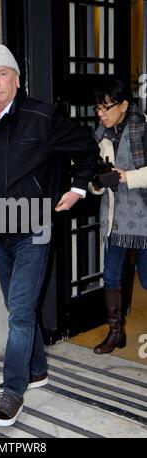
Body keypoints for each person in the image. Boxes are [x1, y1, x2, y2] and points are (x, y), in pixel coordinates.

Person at [0, 44, 99, 426]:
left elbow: (87, 149)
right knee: (18, 309)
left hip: (34, 228)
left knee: (19, 313)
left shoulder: (42, 116)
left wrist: (78, 189)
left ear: (16, 80)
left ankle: (12, 392)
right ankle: (36, 370)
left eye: (2, 74)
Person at [91, 78, 147, 355]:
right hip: (116, 217)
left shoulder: (144, 127)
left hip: (145, 218)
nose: (101, 114)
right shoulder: (100, 135)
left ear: (124, 105)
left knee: (146, 279)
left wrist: (127, 177)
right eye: (98, 108)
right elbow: (91, 176)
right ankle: (116, 332)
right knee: (112, 275)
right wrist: (98, 183)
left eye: (106, 107)